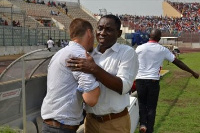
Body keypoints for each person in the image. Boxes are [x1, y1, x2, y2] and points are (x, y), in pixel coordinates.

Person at [67, 14, 139, 133]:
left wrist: (94, 69)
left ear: (119, 33)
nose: (103, 33)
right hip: (91, 121)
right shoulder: (89, 55)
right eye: (100, 28)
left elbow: (124, 87)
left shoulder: (127, 53)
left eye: (109, 29)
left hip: (115, 123)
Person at [41, 18, 100, 133]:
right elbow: (91, 99)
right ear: (89, 33)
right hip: (62, 127)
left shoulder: (59, 53)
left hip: (50, 124)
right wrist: (95, 70)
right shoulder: (79, 55)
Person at [135, 29, 199, 133]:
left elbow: (132, 61)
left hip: (140, 80)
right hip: (153, 81)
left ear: (149, 37)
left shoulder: (139, 48)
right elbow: (178, 62)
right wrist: (192, 72)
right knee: (151, 107)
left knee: (142, 103)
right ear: (159, 38)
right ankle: (149, 129)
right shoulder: (162, 49)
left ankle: (143, 124)